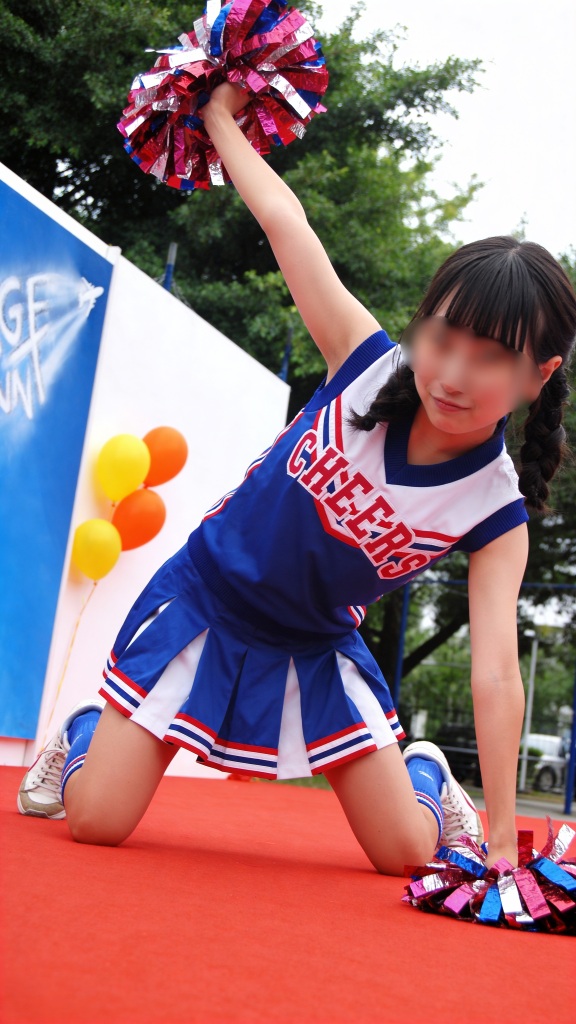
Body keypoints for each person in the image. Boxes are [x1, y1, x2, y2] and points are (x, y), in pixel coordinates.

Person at [18, 83, 576, 877]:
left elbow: (494, 672)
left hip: (316, 645)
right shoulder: (364, 361)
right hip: (207, 598)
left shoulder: (494, 510)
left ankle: (426, 777)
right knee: (97, 824)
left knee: (405, 856)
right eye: (443, 338)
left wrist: (501, 839)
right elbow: (288, 223)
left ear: (538, 374)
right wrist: (218, 118)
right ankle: (82, 732)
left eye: (489, 358)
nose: (453, 374)